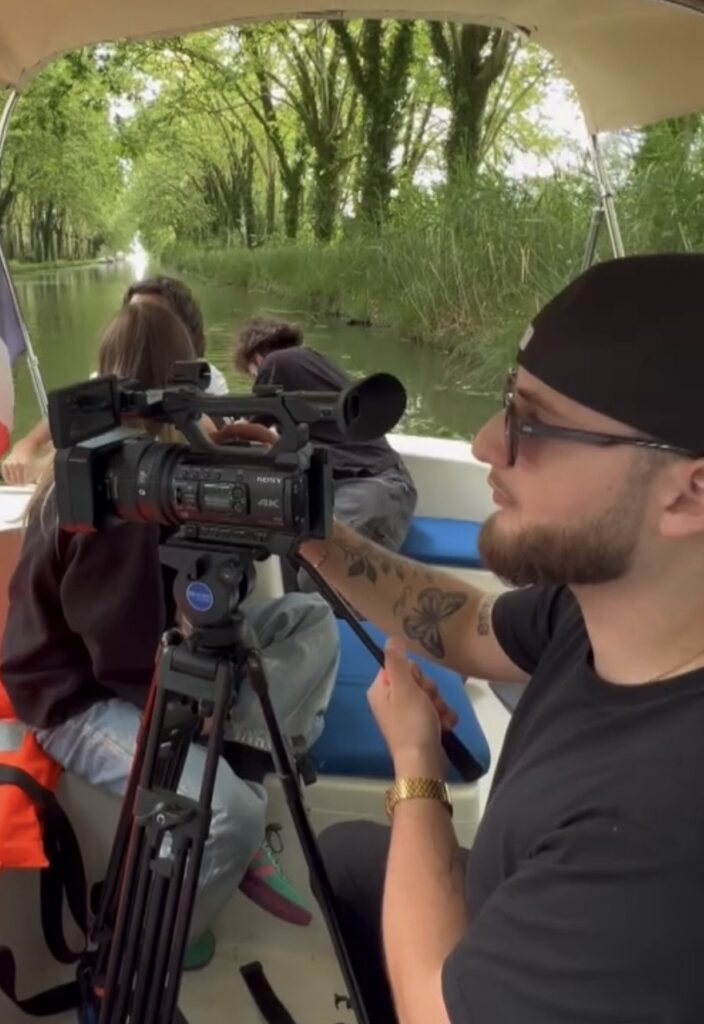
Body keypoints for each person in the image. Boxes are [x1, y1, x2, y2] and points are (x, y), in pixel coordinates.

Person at [298, 253, 704, 1024]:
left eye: (533, 423)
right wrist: (309, 527)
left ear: (691, 493)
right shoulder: (602, 606)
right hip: (514, 894)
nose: (487, 442)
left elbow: (433, 1011)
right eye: (505, 404)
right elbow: (464, 623)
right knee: (343, 855)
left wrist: (416, 764)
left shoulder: (665, 831)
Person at [0, 299, 339, 970]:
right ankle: (145, 944)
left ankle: (238, 757)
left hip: (145, 655)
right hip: (76, 697)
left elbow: (203, 586)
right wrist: (198, 697)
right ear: (185, 373)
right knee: (233, 817)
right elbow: (115, 648)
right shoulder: (106, 496)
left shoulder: (172, 467)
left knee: (311, 619)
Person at [231, 316, 417, 589]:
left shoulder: (278, 362)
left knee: (316, 575)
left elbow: (245, 430)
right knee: (289, 549)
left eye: (252, 375)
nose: (255, 383)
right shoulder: (309, 367)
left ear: (257, 358)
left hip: (375, 485)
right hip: (360, 485)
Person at [1, 275, 228, 484]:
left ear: (180, 333)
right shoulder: (109, 383)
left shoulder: (207, 383)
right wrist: (27, 446)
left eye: (152, 320)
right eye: (132, 317)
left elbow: (214, 437)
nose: (137, 330)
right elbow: (65, 416)